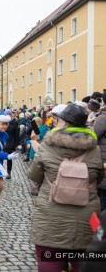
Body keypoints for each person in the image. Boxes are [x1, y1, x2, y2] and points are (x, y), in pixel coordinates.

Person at [28, 104, 104, 271]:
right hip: (86, 218)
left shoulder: (47, 145)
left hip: (51, 216)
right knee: (81, 263)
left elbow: (34, 176)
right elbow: (98, 178)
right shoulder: (95, 149)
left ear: (63, 122)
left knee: (49, 262)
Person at [93, 92, 106, 211]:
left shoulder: (103, 117)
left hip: (104, 164)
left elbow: (92, 137)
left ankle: (100, 228)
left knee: (102, 203)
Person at [4, 109, 20, 179]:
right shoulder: (3, 122)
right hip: (3, 141)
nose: (8, 115)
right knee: (0, 156)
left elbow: (16, 134)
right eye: (6, 114)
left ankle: (8, 171)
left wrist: (17, 143)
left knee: (9, 157)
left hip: (11, 142)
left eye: (9, 114)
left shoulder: (14, 123)